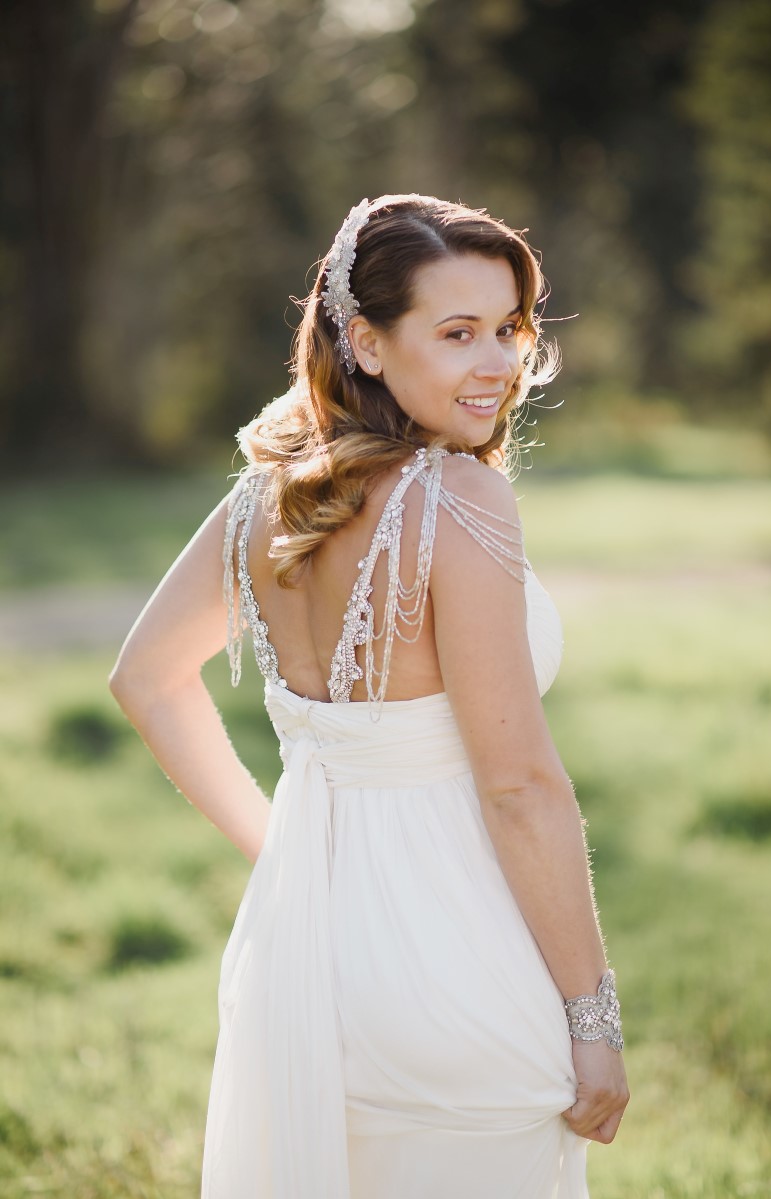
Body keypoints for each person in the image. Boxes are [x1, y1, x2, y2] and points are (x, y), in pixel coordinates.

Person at [109, 192, 629, 1199]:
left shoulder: (266, 494)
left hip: (303, 945)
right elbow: (518, 783)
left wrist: (284, 851)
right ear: (367, 342)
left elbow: (145, 677)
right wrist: (590, 1018)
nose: (498, 363)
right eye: (456, 333)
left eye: (508, 329)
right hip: (455, 947)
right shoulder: (459, 495)